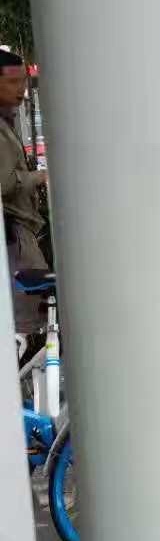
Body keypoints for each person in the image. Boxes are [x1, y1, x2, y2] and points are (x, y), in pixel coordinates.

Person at [0, 50, 47, 333]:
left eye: (23, 81)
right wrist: (38, 177)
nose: (22, 90)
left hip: (21, 234)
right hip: (14, 236)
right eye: (14, 82)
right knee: (24, 326)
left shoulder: (8, 122)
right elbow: (4, 182)